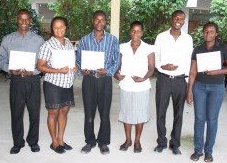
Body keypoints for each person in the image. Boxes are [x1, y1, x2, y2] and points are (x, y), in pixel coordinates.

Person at [186, 22, 227, 162]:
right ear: (203, 33)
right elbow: (192, 71)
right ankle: (198, 150)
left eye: (211, 31)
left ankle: (209, 151)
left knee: (212, 119)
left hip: (216, 88)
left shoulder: (223, 49)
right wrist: (189, 91)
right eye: (206, 31)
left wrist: (216, 72)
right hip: (199, 87)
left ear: (216, 33)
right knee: (199, 119)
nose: (208, 34)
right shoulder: (198, 49)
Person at [0, 9, 44, 154]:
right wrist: (10, 69)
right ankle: (18, 142)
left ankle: (33, 141)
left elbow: (43, 62)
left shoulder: (38, 40)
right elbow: (1, 60)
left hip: (33, 80)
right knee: (16, 112)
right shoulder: (8, 39)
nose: (24, 22)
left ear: (30, 21)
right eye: (21, 19)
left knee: (34, 112)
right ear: (16, 20)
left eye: (26, 19)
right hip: (16, 81)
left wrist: (35, 71)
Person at [75, 10, 120, 155]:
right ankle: (89, 141)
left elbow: (116, 60)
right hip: (89, 80)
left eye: (102, 20)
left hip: (105, 80)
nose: (99, 22)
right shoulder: (84, 40)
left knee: (105, 113)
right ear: (92, 21)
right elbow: (78, 60)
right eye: (96, 19)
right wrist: (83, 70)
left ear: (105, 22)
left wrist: (107, 71)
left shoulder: (112, 40)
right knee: (89, 113)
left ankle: (103, 142)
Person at [154, 10, 193, 155]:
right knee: (160, 113)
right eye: (176, 17)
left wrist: (188, 84)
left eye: (181, 18)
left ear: (184, 21)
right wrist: (162, 67)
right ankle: (161, 142)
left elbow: (189, 62)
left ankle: (175, 144)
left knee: (179, 114)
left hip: (180, 80)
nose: (178, 20)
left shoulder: (188, 39)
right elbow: (156, 57)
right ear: (171, 19)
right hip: (164, 79)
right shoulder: (161, 37)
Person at [37, 16, 78, 154]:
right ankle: (54, 142)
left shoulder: (68, 43)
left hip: (67, 83)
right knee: (53, 112)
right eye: (55, 27)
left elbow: (72, 62)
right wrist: (58, 70)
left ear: (65, 27)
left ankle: (61, 140)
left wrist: (75, 68)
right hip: (53, 83)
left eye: (61, 27)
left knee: (64, 111)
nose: (58, 30)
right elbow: (40, 66)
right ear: (52, 29)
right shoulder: (47, 45)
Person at [114, 21, 155, 153]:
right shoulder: (122, 47)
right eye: (133, 30)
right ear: (130, 32)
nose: (135, 33)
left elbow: (151, 68)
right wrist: (117, 74)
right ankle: (128, 140)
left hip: (141, 87)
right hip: (126, 85)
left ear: (142, 33)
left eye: (138, 31)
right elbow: (118, 66)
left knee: (140, 114)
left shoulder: (148, 48)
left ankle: (137, 140)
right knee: (126, 113)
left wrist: (144, 77)